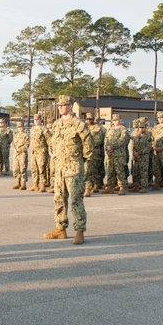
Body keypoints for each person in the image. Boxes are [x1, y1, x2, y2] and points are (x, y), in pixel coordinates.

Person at [44, 96, 92, 244]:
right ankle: (61, 229)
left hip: (73, 167)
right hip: (59, 168)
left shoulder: (79, 124)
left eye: (64, 105)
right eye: (59, 105)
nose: (61, 107)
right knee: (59, 198)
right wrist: (53, 152)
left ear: (71, 106)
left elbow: (89, 144)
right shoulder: (57, 124)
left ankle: (79, 230)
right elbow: (52, 141)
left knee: (76, 199)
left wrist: (81, 161)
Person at [103, 114, 129, 195]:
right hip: (110, 154)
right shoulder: (110, 129)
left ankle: (122, 187)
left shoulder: (123, 129)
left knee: (120, 171)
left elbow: (122, 140)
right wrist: (106, 147)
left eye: (117, 120)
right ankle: (110, 187)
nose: (115, 121)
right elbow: (106, 139)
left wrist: (112, 147)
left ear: (120, 120)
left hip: (119, 154)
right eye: (114, 120)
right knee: (110, 171)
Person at [84, 113, 105, 196]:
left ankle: (96, 184)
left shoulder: (98, 129)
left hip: (95, 151)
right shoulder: (85, 128)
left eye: (90, 119)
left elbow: (99, 140)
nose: (89, 120)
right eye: (87, 119)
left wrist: (89, 144)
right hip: (86, 152)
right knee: (87, 170)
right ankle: (89, 185)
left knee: (95, 169)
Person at [129, 118, 151, 192]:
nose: (141, 129)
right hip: (136, 157)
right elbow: (132, 145)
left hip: (143, 157)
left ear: (145, 128)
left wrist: (140, 153)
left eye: (143, 127)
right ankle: (136, 185)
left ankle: (143, 187)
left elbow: (148, 147)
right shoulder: (136, 136)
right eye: (140, 128)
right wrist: (134, 152)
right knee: (136, 171)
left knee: (143, 172)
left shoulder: (148, 136)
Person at [30, 115, 50, 192]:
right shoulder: (32, 129)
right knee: (34, 168)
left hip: (42, 151)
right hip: (34, 151)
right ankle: (35, 184)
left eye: (37, 119)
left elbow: (49, 140)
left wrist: (51, 151)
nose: (36, 121)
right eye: (34, 119)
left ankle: (42, 185)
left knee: (42, 168)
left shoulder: (44, 129)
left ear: (40, 120)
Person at [11, 121, 30, 190]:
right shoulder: (16, 135)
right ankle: (17, 182)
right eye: (19, 127)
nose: (20, 128)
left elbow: (26, 145)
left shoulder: (26, 136)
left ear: (23, 127)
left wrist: (20, 150)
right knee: (16, 169)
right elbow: (13, 144)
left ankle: (23, 184)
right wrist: (15, 149)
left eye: (21, 127)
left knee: (23, 169)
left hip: (22, 154)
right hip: (16, 154)